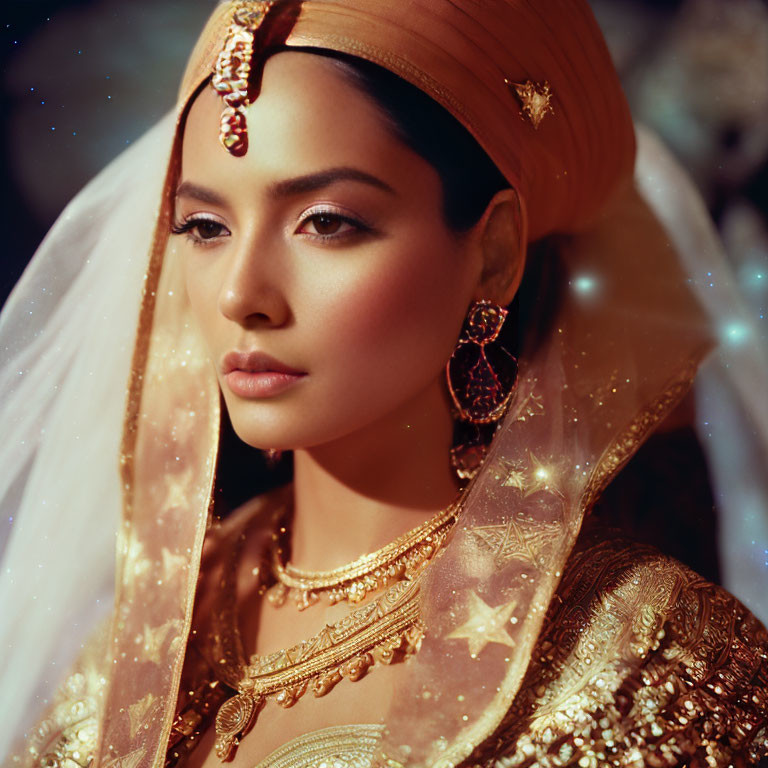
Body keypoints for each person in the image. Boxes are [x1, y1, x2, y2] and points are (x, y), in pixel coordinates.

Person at [2, 1, 767, 766]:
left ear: (494, 254)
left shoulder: (650, 669)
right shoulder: (152, 633)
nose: (241, 295)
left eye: (327, 222)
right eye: (205, 227)